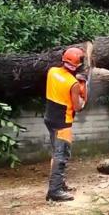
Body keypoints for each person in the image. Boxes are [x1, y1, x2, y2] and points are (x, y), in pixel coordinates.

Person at [44, 47, 87, 201]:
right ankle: (54, 191)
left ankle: (59, 184)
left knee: (56, 152)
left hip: (50, 118)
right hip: (63, 122)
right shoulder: (73, 83)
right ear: (78, 65)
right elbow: (78, 107)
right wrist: (83, 92)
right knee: (61, 156)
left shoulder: (52, 72)